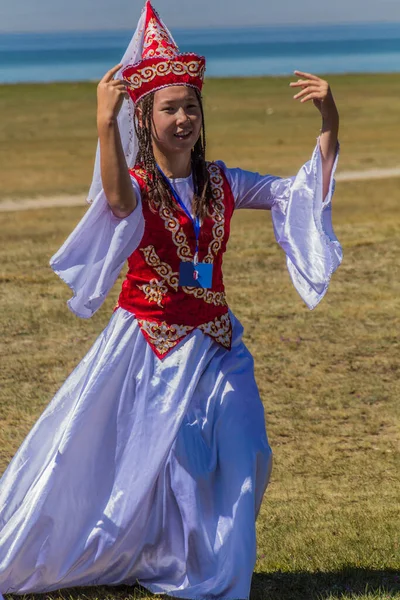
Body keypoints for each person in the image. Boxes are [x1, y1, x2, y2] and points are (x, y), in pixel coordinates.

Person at [0, 2, 342, 599]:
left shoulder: (224, 182)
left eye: (190, 106)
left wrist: (329, 119)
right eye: (169, 107)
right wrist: (104, 125)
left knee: (247, 450)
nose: (183, 117)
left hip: (217, 344)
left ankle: (215, 569)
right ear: (146, 116)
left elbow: (298, 193)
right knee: (165, 465)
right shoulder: (136, 187)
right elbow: (116, 201)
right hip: (152, 347)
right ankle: (186, 566)